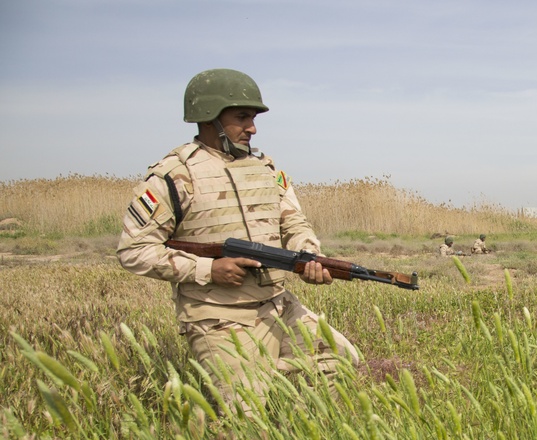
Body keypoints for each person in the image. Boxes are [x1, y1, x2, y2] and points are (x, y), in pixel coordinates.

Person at [117, 68, 358, 411]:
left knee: (339, 363)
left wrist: (309, 257)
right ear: (209, 118)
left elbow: (295, 224)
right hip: (218, 316)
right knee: (247, 415)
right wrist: (207, 269)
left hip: (276, 304)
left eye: (255, 118)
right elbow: (134, 250)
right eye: (242, 117)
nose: (253, 128)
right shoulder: (174, 175)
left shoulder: (266, 169)